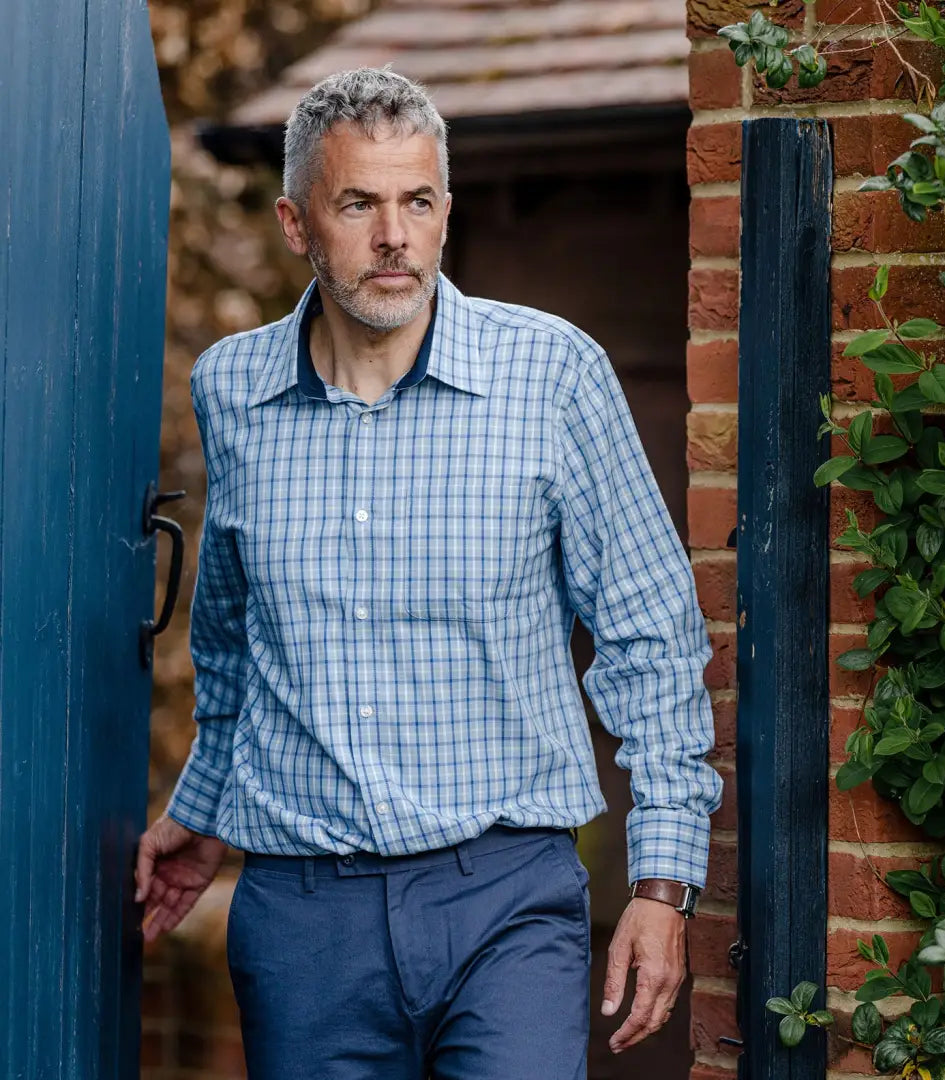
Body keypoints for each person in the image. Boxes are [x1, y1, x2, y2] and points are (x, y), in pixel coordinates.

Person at [134, 67, 722, 1080]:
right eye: (359, 203)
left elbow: (651, 636)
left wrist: (663, 886)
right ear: (297, 222)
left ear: (446, 212)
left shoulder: (554, 375)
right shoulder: (232, 390)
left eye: (416, 201)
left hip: (506, 901)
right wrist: (203, 809)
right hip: (302, 918)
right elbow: (234, 647)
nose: (393, 236)